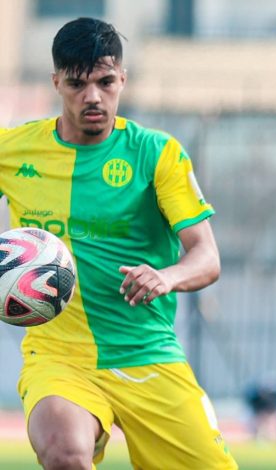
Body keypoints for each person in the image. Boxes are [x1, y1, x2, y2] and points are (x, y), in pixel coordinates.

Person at [0, 18, 237, 469]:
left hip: (146, 351)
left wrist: (167, 277)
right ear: (56, 82)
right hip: (59, 358)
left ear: (122, 80)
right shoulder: (12, 151)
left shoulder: (156, 153)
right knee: (65, 453)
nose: (93, 96)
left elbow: (207, 257)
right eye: (77, 84)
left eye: (105, 82)